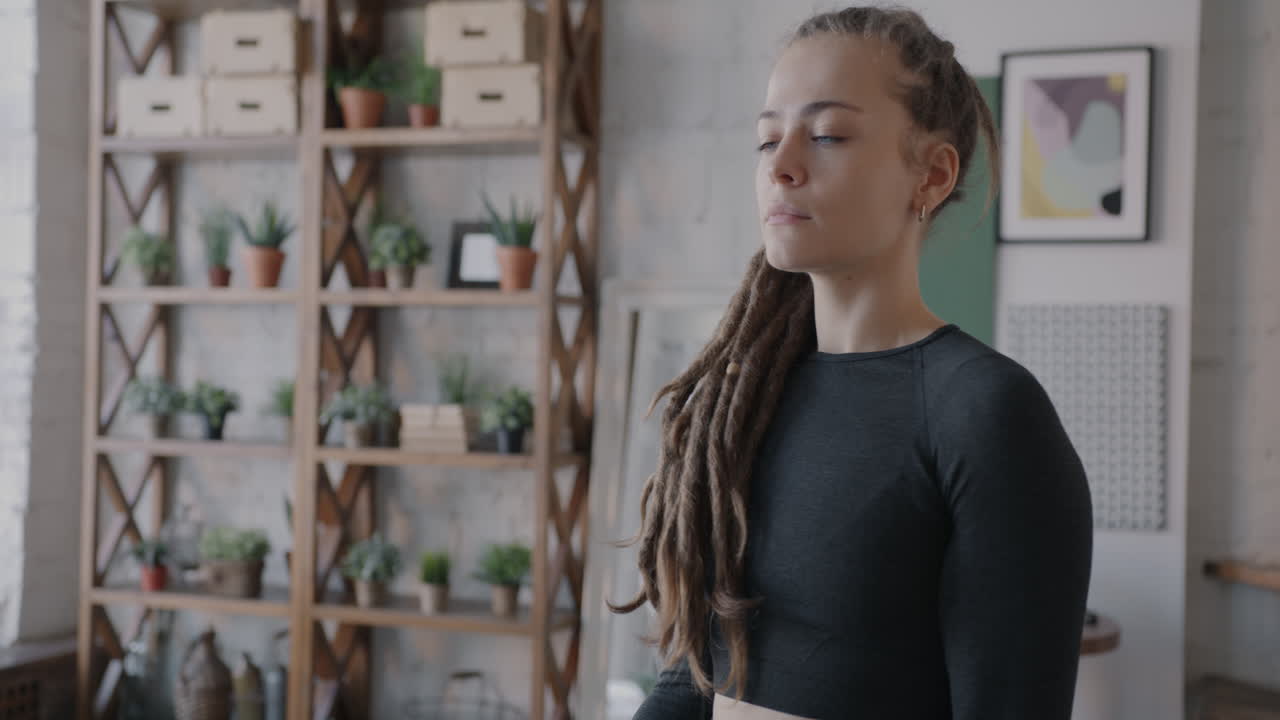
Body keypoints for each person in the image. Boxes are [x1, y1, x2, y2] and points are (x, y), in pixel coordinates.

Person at [608, 6, 1094, 720]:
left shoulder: (986, 415)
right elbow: (696, 683)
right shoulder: (739, 404)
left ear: (930, 176)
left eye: (828, 134)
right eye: (767, 138)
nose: (782, 164)